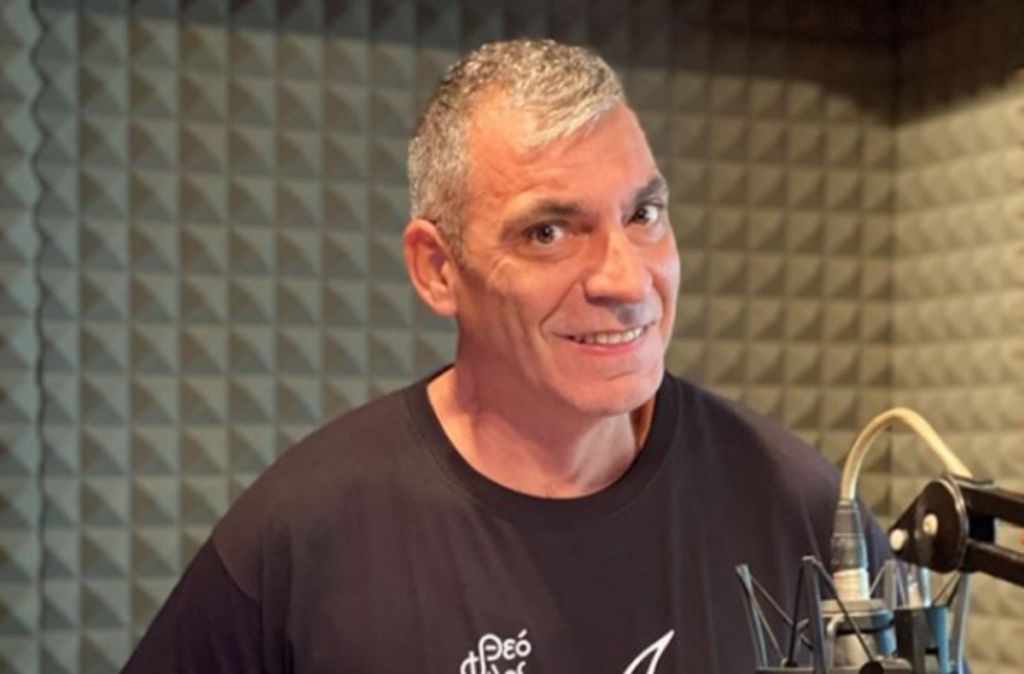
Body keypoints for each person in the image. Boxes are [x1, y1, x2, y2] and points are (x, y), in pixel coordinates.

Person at [122, 39, 888, 674]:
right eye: (548, 232)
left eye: (643, 214)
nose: (627, 281)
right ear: (437, 269)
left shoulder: (801, 507)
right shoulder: (300, 539)